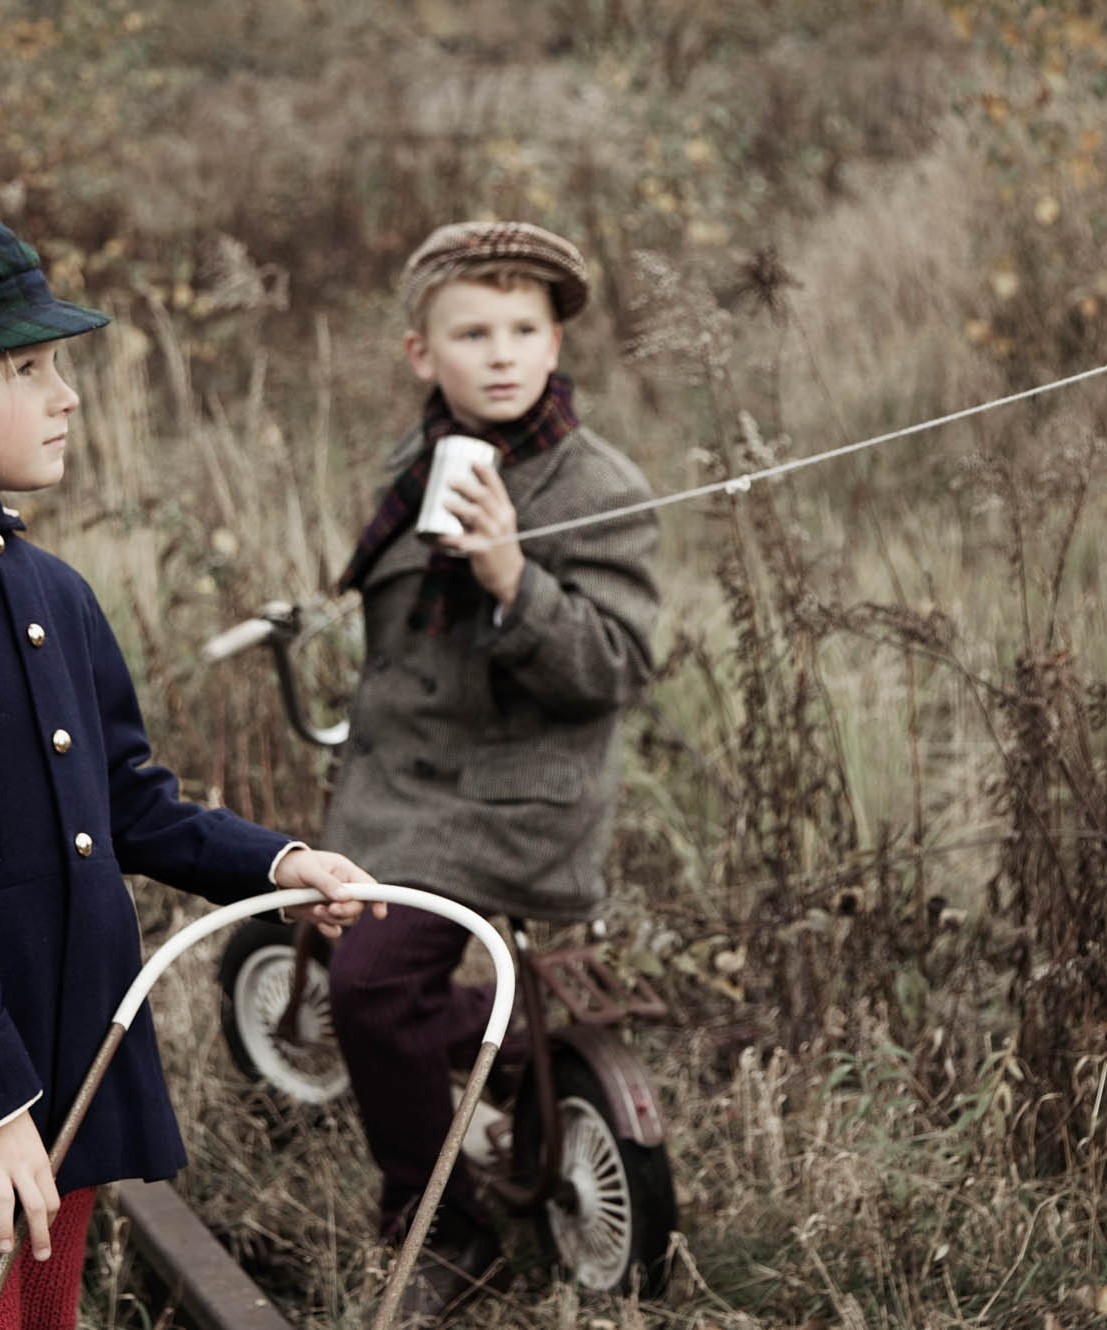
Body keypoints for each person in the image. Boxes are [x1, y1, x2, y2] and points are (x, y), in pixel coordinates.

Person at [0, 203, 381, 1329]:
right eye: (28, 367)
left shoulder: (52, 591)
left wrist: (279, 864)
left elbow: (128, 801)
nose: (68, 393)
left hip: (63, 1048)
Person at [322, 220, 661, 1324]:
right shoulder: (413, 465)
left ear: (558, 342)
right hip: (409, 788)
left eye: (526, 328)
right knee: (325, 923)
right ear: (422, 353)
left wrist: (517, 581)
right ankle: (511, 1041)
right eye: (472, 332)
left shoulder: (593, 484)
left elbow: (614, 666)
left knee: (370, 984)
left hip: (516, 800)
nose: (502, 354)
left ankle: (445, 1229)